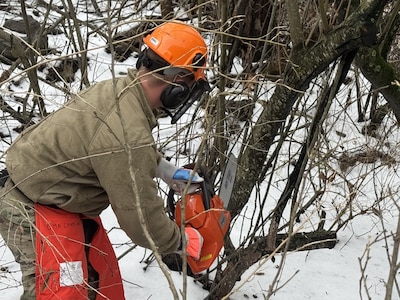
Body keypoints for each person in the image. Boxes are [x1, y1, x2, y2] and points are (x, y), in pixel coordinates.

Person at [0, 21, 210, 300]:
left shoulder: (120, 90)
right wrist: (180, 241)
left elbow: (117, 145)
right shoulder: (129, 132)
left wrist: (165, 170)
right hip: (29, 208)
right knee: (56, 292)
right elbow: (140, 220)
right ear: (178, 83)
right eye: (189, 85)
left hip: (41, 191)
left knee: (94, 283)